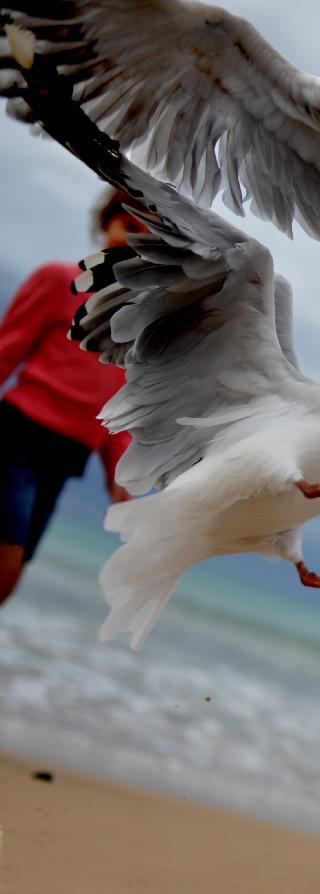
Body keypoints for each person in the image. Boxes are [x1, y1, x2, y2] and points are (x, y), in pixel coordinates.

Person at [0, 187, 149, 604]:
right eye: (129, 226)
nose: (134, 241)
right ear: (106, 224)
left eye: (147, 237)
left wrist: (117, 475)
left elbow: (116, 406)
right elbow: (6, 351)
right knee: (5, 565)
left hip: (66, 461)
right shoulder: (57, 280)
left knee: (12, 575)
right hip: (18, 439)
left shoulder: (137, 324)